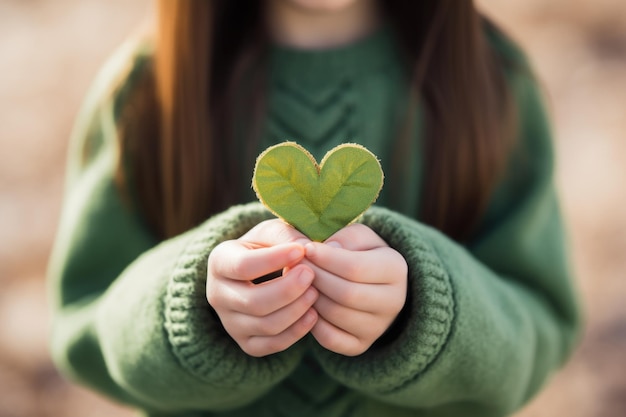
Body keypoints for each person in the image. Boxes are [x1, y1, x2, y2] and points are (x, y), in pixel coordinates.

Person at [48, 1, 581, 416]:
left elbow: (541, 327)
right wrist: (190, 309)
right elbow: (83, 326)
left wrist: (424, 309)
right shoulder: (146, 91)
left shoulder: (493, 83)